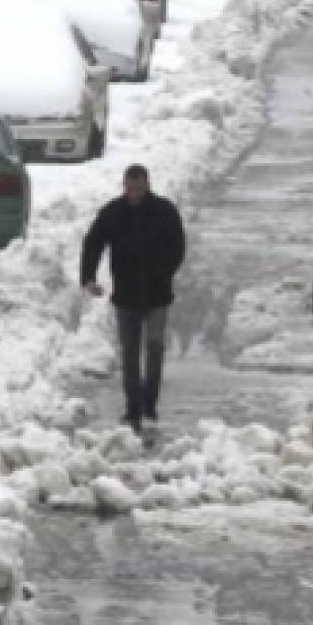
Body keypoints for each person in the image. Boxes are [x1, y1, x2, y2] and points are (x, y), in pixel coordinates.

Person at [81, 165, 186, 431]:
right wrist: (88, 277)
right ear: (124, 186)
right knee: (129, 353)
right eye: (130, 188)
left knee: (154, 347)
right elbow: (93, 242)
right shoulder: (113, 212)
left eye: (139, 189)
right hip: (125, 295)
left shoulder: (164, 211)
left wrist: (165, 272)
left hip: (157, 295)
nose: (134, 194)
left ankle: (149, 401)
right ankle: (133, 407)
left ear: (147, 185)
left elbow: (178, 244)